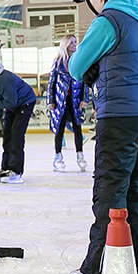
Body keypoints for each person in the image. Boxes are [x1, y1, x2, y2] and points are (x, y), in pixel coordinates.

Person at [67, 0, 138, 274]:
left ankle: (94, 271)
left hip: (119, 116)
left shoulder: (108, 21)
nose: (90, 4)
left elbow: (77, 68)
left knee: (109, 194)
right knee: (135, 191)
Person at [0, 60, 36, 184]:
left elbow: (11, 101)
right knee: (7, 134)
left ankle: (16, 170)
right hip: (13, 106)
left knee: (16, 134)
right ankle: (6, 166)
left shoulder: (3, 78)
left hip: (25, 102)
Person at [47, 34, 88, 173]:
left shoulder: (79, 61)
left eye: (75, 42)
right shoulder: (58, 62)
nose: (74, 45)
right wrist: (50, 100)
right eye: (71, 43)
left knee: (78, 128)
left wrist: (84, 99)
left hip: (74, 101)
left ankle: (80, 156)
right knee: (59, 129)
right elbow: (51, 82)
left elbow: (84, 82)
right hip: (60, 101)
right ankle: (58, 157)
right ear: (65, 45)